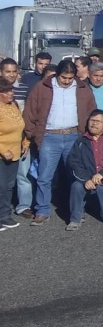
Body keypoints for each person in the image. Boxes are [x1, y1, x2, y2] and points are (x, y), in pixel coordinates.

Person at [23, 59, 97, 226]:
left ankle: (76, 211)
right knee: (44, 177)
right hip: (50, 136)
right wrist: (33, 135)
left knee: (76, 176)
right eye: (64, 77)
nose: (67, 81)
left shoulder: (83, 89)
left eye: (70, 78)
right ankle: (42, 210)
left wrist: (87, 135)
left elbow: (92, 110)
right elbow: (30, 112)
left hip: (73, 136)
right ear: (57, 74)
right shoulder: (42, 87)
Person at [65, 109, 103, 230]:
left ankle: (95, 204)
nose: (94, 124)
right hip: (88, 179)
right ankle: (76, 218)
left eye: (98, 121)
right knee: (76, 186)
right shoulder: (81, 141)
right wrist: (85, 179)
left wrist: (102, 174)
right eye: (92, 121)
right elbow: (74, 162)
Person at [1, 58, 34, 218]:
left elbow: (26, 115)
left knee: (22, 174)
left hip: (19, 138)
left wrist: (26, 139)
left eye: (14, 71)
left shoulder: (23, 89)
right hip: (3, 140)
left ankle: (23, 205)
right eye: (8, 71)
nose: (11, 74)